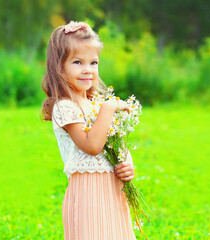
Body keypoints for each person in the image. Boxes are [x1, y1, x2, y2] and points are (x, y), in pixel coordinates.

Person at [41, 21, 137, 240]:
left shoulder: (95, 103)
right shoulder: (65, 107)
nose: (88, 70)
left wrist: (127, 162)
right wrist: (109, 107)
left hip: (112, 189)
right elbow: (92, 146)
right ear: (59, 67)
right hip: (88, 194)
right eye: (77, 62)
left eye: (93, 62)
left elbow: (113, 142)